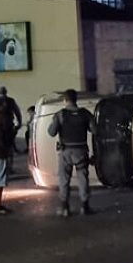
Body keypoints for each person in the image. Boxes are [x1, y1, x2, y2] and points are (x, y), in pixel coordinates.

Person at [47, 89, 96, 217]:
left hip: (65, 152)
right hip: (81, 151)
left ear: (65, 100)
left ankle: (64, 207)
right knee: (83, 179)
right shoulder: (85, 114)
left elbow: (51, 132)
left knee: (64, 179)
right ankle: (85, 206)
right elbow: (95, 130)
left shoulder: (60, 115)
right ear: (76, 100)